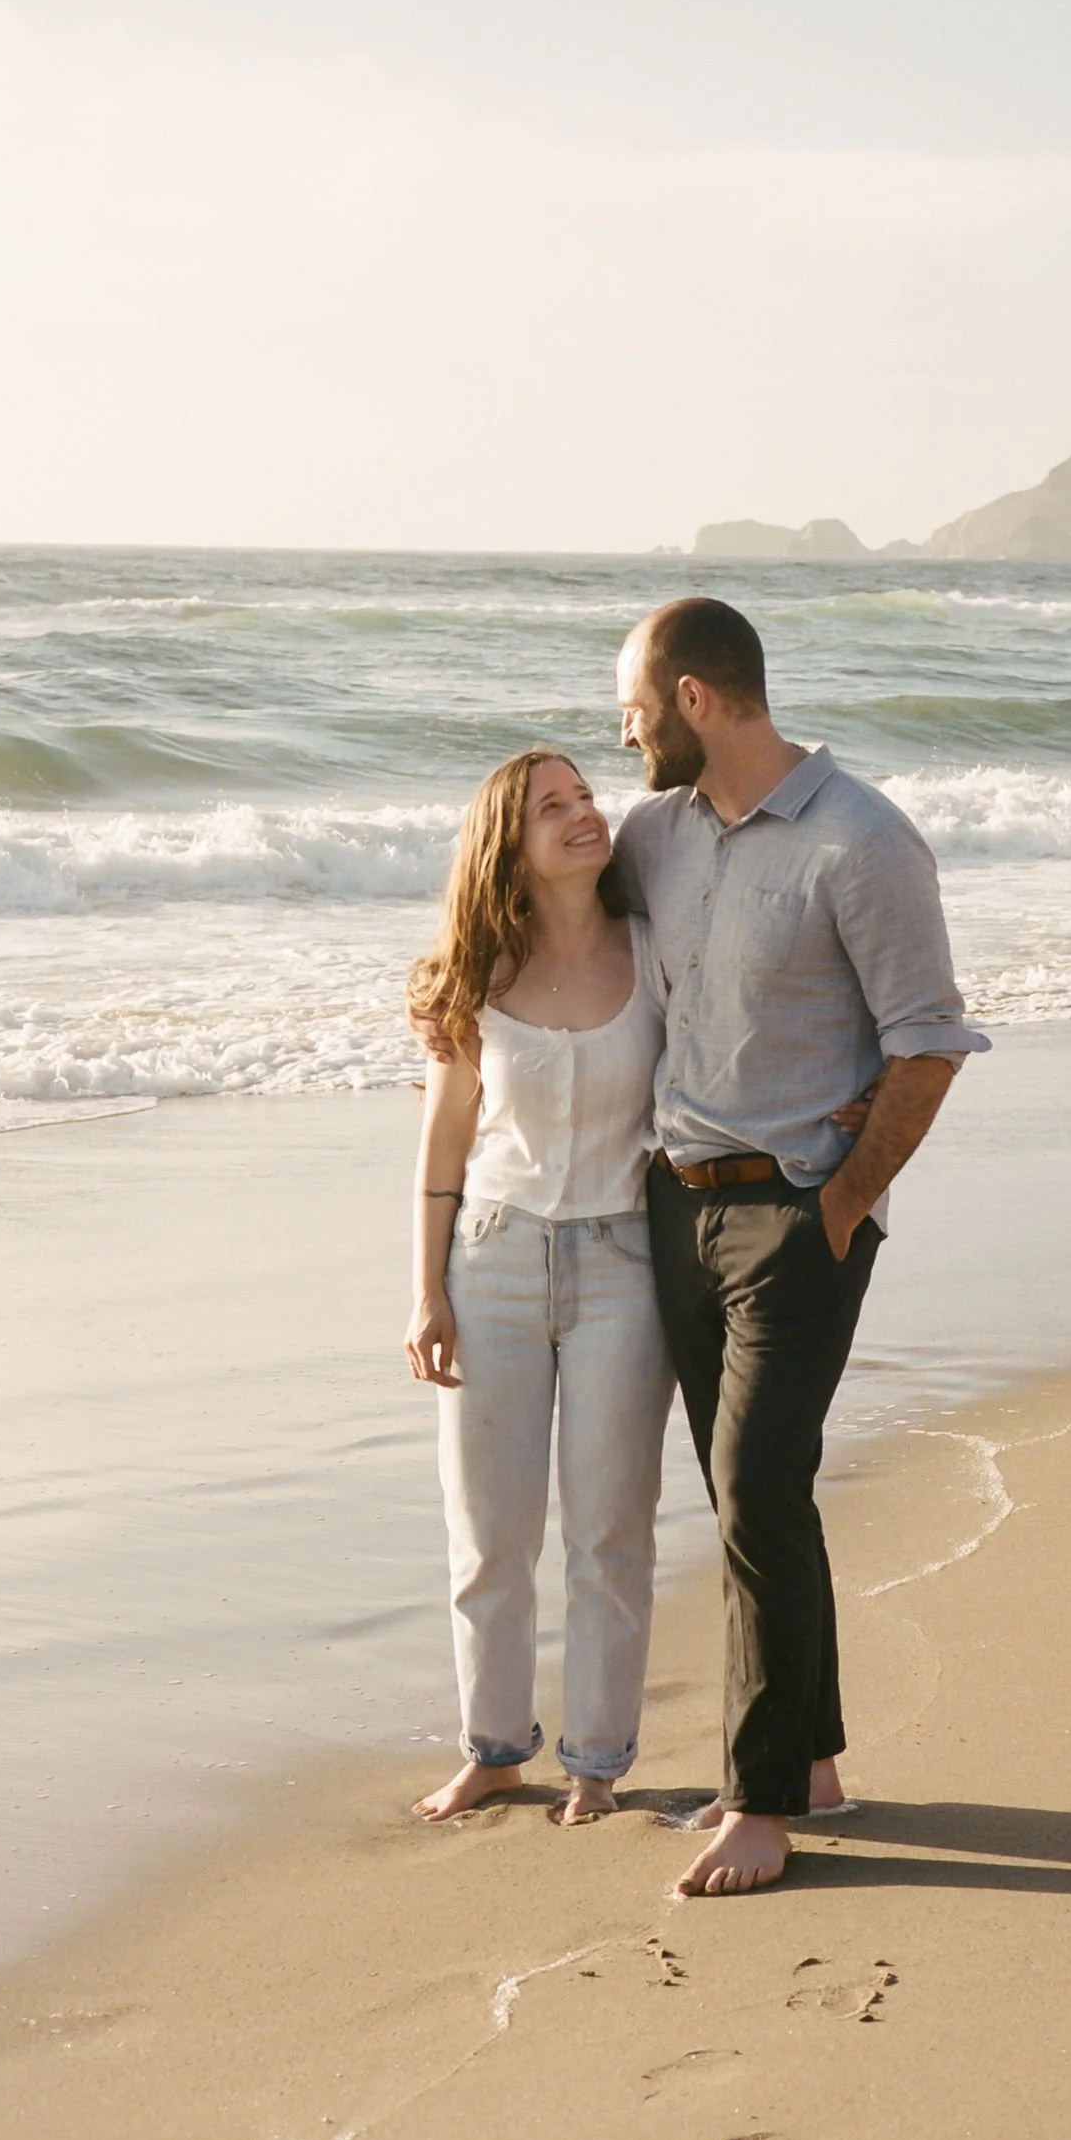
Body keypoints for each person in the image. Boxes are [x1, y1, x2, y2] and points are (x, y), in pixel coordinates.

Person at [612, 597, 989, 1897]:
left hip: (794, 1207)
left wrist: (838, 1202)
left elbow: (930, 1039)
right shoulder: (651, 836)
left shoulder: (863, 841)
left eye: (636, 704)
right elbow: (552, 927)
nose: (625, 729)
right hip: (675, 1201)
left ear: (698, 701)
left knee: (758, 1481)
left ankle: (760, 1801)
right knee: (748, 1492)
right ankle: (812, 1762)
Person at [403, 749, 675, 1826]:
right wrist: (425, 1293)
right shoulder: (477, 975)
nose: (581, 814)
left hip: (624, 1266)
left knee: (609, 1530)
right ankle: (494, 1749)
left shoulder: (655, 955)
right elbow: (441, 1146)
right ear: (506, 849)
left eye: (583, 796)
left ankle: (597, 1763)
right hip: (494, 1259)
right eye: (549, 807)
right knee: (488, 1531)